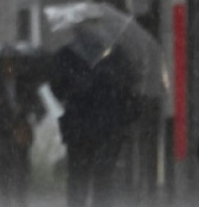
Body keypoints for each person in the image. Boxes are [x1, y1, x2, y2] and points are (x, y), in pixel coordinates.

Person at [50, 47, 139, 207]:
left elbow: (57, 90)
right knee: (102, 179)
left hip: (80, 128)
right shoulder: (116, 55)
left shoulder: (69, 55)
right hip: (106, 128)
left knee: (79, 179)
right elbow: (128, 90)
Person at [0, 59, 45, 207]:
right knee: (3, 167)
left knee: (22, 167)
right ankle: (4, 199)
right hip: (3, 131)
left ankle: (21, 199)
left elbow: (38, 105)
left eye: (11, 64)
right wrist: (4, 118)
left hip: (21, 130)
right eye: (6, 65)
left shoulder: (25, 83)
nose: (9, 68)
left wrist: (24, 109)